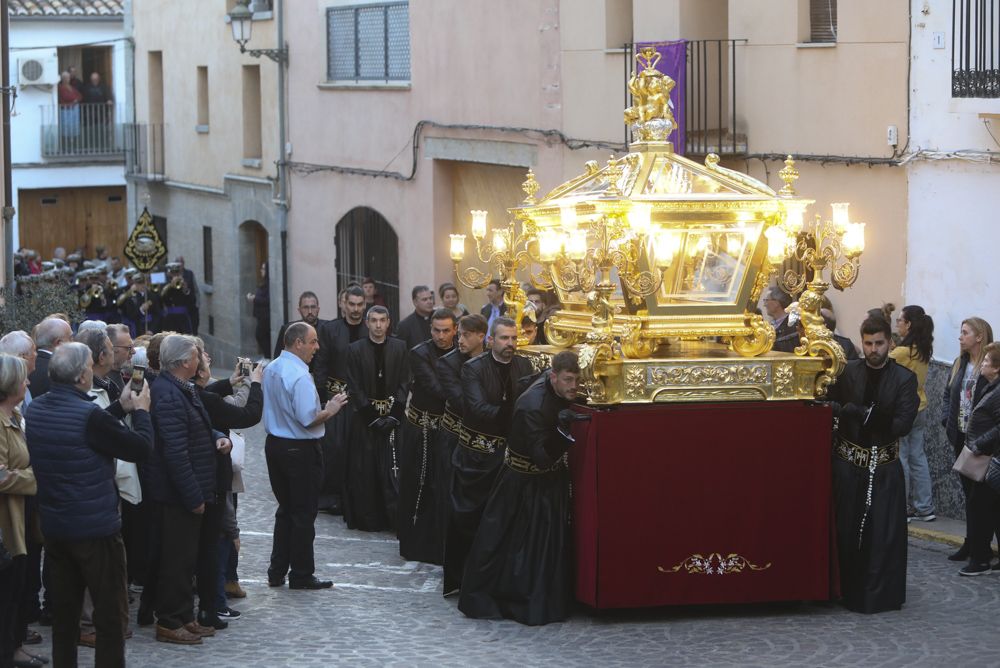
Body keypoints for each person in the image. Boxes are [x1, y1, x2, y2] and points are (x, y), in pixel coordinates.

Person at [25, 342, 154, 667]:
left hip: (56, 527)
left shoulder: (37, 409)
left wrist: (120, 409)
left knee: (65, 619)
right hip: (96, 531)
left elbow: (82, 432)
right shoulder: (89, 416)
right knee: (110, 618)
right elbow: (140, 448)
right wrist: (140, 411)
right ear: (83, 376)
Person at [460, 351, 582, 625]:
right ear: (553, 377)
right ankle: (522, 601)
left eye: (576, 380)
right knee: (516, 547)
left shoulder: (553, 391)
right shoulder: (532, 406)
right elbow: (542, 457)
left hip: (544, 482)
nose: (574, 386)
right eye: (568, 380)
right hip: (525, 485)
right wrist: (563, 433)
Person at [827, 316, 918, 613]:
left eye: (879, 343)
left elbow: (902, 424)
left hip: (884, 470)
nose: (873, 349)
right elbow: (829, 402)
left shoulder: (904, 379)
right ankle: (841, 590)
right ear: (862, 342)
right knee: (844, 529)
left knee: (882, 534)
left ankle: (879, 595)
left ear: (890, 342)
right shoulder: (848, 371)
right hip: (847, 465)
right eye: (868, 343)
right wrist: (851, 411)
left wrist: (864, 414)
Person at [143, 335, 228, 644]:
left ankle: (183, 616)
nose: (201, 360)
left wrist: (216, 436)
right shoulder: (167, 394)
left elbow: (196, 430)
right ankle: (169, 621)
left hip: (189, 491)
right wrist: (193, 496)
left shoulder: (180, 388)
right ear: (183, 363)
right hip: (177, 496)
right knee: (175, 562)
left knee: (185, 560)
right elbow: (175, 452)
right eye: (196, 356)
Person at [443, 317, 533, 596]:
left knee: (504, 524)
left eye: (514, 339)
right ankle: (463, 580)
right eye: (505, 338)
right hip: (476, 458)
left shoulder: (524, 366)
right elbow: (477, 408)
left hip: (508, 460)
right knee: (468, 520)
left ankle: (498, 582)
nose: (510, 344)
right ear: (490, 340)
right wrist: (514, 416)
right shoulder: (473, 368)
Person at [262, 322, 347, 590]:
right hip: (299, 451)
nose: (317, 347)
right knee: (303, 514)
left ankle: (277, 571)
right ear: (298, 343)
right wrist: (331, 408)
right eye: (313, 342)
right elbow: (309, 419)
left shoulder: (272, 367)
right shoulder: (299, 375)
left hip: (275, 445)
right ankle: (301, 573)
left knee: (285, 510)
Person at [192, 344, 263, 626]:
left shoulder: (189, 390)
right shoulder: (197, 395)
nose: (209, 357)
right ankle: (211, 607)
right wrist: (255, 385)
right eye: (204, 358)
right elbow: (247, 415)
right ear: (195, 369)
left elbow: (207, 394)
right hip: (209, 480)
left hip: (202, 479)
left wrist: (230, 382)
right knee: (214, 542)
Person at [397, 308, 456, 564]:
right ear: (430, 329)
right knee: (418, 485)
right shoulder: (419, 353)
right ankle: (415, 544)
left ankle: (442, 545)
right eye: (436, 330)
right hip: (420, 429)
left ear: (454, 330)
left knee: (443, 487)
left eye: (446, 330)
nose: (441, 336)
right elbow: (436, 389)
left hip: (447, 431)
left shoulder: (462, 353)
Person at [0, 355, 47, 668]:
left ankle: (15, 645)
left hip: (22, 515)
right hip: (6, 521)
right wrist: (36, 476)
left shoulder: (14, 415)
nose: (29, 382)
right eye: (24, 378)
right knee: (7, 590)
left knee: (18, 586)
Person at [344, 306, 409, 531]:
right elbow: (354, 386)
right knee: (366, 470)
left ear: (389, 322)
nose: (378, 325)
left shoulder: (400, 348)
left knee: (392, 469)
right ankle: (368, 518)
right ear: (367, 323)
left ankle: (392, 517)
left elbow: (404, 382)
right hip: (365, 421)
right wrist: (372, 418)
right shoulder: (354, 350)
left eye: (382, 320)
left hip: (393, 420)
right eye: (374, 320)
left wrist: (394, 416)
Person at [942, 317, 994, 562]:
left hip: (982, 441)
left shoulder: (991, 365)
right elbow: (946, 393)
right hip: (960, 435)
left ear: (979, 336)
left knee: (980, 498)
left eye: (965, 332)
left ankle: (979, 548)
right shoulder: (958, 363)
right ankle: (972, 542)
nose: (960, 337)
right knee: (969, 495)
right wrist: (946, 419)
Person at [313, 285, 368, 513]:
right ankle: (331, 496)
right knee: (334, 448)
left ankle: (357, 496)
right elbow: (321, 364)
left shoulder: (370, 328)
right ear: (343, 304)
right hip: (336, 399)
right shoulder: (329, 329)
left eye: (360, 304)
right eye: (351, 304)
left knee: (360, 450)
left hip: (362, 401)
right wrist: (321, 398)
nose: (355, 309)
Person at [889, 306, 936, 522]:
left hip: (903, 410)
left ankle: (902, 506)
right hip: (921, 405)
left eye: (899, 320)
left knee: (902, 458)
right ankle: (925, 507)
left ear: (908, 324)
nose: (897, 323)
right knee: (918, 457)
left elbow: (885, 371)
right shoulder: (924, 349)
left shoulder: (901, 352)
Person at [957, 342, 1000, 575]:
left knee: (980, 507)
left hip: (988, 457)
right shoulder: (991, 386)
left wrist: (980, 443)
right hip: (985, 454)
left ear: (996, 368)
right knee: (991, 508)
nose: (982, 364)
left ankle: (981, 559)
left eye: (986, 361)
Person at [273, 291, 324, 362]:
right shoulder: (288, 329)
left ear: (318, 309)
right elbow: (279, 358)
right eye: (306, 307)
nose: (310, 311)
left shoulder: (327, 329)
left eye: (313, 307)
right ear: (299, 310)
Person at [29, 317, 73, 398]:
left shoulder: (27, 366)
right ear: (59, 343)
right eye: (70, 338)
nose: (73, 342)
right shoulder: (60, 372)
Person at [0, 332, 37, 409]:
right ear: (23, 357)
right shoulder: (13, 392)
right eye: (34, 350)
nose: (36, 354)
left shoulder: (20, 384)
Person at [395, 286, 436, 351]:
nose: (429, 302)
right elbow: (400, 352)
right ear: (415, 302)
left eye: (430, 298)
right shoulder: (405, 325)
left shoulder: (441, 318)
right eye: (424, 299)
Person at [247, 263, 271, 356]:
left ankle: (268, 356)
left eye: (264, 269)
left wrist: (254, 298)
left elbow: (268, 300)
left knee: (260, 335)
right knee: (263, 335)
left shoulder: (269, 284)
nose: (261, 270)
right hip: (261, 315)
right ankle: (267, 356)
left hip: (266, 315)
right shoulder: (264, 282)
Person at [763, 287, 797, 353]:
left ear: (776, 303)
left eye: (766, 300)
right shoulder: (770, 325)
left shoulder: (792, 325)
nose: (765, 304)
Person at [175, 257, 200, 335]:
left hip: (190, 306)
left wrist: (197, 304)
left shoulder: (189, 273)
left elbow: (196, 289)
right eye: (178, 263)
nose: (180, 264)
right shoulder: (172, 274)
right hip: (178, 308)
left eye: (181, 262)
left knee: (193, 329)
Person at [57, 71, 83, 142]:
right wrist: (74, 100)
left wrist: (76, 100)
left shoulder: (71, 87)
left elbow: (79, 95)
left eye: (68, 77)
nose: (68, 79)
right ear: (63, 78)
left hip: (74, 109)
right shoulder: (60, 87)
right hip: (66, 110)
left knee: (74, 125)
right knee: (67, 126)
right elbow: (66, 97)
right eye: (67, 77)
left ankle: (73, 140)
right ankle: (66, 141)